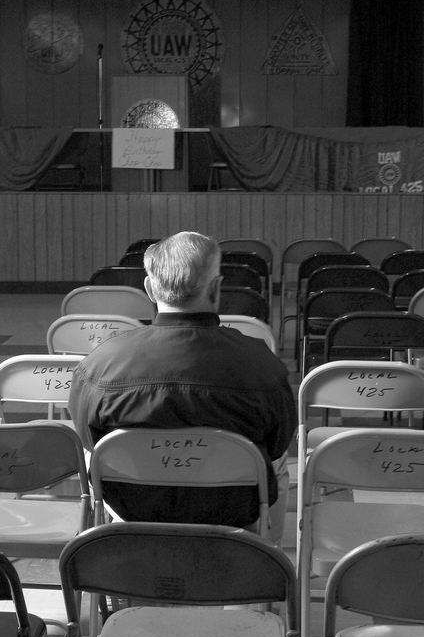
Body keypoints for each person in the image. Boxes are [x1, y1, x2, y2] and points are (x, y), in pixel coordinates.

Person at [69, 231, 296, 540]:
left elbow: (88, 438)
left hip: (133, 505)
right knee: (277, 460)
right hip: (232, 507)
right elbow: (279, 441)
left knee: (94, 453)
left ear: (149, 289)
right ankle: (267, 559)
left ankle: (116, 545)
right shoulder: (262, 366)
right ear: (217, 288)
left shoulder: (99, 365)